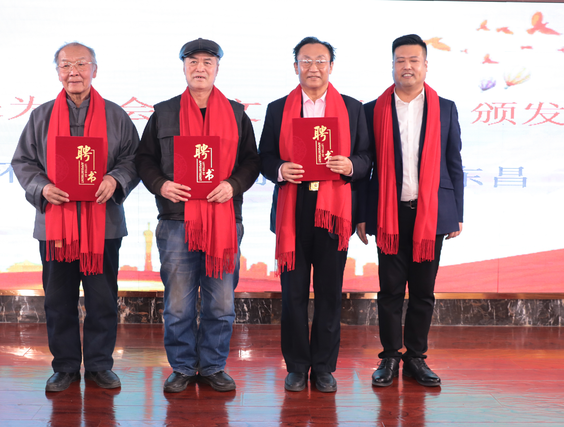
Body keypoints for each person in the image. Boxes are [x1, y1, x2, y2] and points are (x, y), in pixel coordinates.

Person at [11, 42, 140, 392]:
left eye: (81, 64)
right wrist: (42, 187)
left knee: (102, 299)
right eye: (65, 65)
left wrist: (116, 179)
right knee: (58, 300)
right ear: (57, 73)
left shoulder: (115, 115)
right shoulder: (41, 116)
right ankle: (65, 366)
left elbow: (133, 159)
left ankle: (99, 365)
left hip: (103, 225)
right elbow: (23, 162)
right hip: (56, 225)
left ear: (95, 70)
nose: (74, 72)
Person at [135, 38, 260, 393]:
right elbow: (144, 159)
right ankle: (183, 367)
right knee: (178, 305)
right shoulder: (164, 113)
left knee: (220, 303)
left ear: (217, 67)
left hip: (223, 220)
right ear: (184, 67)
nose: (200, 68)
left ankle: (214, 366)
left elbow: (252, 161)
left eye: (208, 61)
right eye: (193, 61)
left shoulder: (236, 114)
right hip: (177, 221)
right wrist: (161, 184)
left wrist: (233, 185)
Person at [259, 36, 371, 393]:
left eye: (321, 60)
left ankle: (323, 367)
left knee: (328, 292)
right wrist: (280, 169)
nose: (313, 67)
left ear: (331, 66)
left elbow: (367, 158)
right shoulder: (278, 109)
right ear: (295, 66)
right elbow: (264, 157)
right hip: (293, 208)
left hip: (334, 212)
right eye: (305, 60)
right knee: (292, 293)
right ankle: (296, 366)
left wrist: (350, 165)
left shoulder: (352, 108)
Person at [357, 34, 464, 387]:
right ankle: (390, 356)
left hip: (431, 214)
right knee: (389, 290)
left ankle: (416, 357)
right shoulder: (373, 110)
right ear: (392, 65)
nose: (407, 66)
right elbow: (365, 167)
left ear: (425, 65)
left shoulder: (445, 108)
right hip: (389, 213)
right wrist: (362, 214)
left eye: (414, 60)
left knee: (423, 291)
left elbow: (454, 163)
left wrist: (457, 212)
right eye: (400, 60)